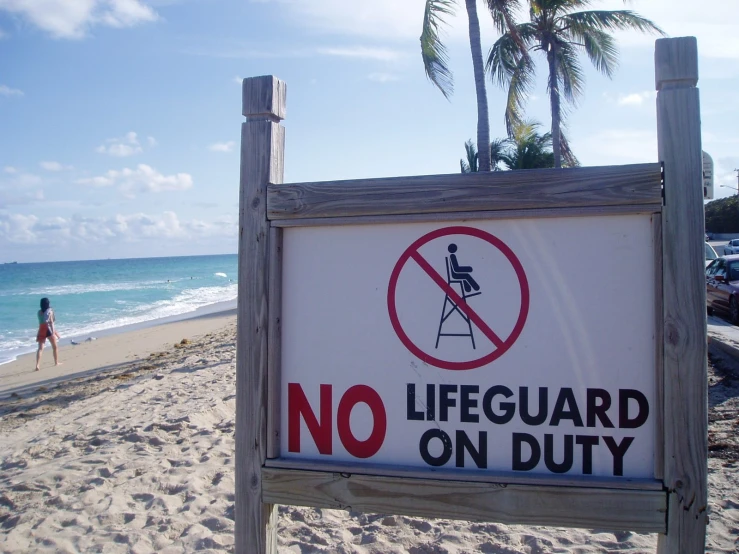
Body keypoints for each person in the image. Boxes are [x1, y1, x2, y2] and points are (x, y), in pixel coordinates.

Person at [35, 297, 61, 371]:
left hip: (41, 329)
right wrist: (53, 332)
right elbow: (51, 322)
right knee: (55, 347)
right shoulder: (50, 311)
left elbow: (41, 322)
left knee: (40, 349)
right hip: (48, 329)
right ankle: (56, 362)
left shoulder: (39, 312)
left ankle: (37, 365)